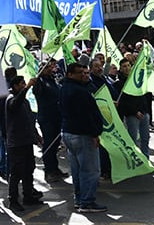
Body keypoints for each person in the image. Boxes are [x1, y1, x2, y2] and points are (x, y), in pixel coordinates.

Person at [59, 58, 108, 213]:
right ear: (70, 74)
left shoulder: (65, 88)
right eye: (79, 73)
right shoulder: (78, 91)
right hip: (82, 135)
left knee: (78, 169)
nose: (82, 75)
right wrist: (94, 133)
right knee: (90, 170)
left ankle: (79, 199)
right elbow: (85, 115)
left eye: (83, 72)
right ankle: (87, 201)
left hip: (69, 133)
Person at [3, 74, 45, 212]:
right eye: (21, 84)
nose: (24, 85)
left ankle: (28, 195)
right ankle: (13, 199)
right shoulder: (11, 99)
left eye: (24, 84)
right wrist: (26, 88)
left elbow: (29, 121)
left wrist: (37, 136)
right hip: (16, 143)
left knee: (29, 169)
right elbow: (15, 104)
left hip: (26, 141)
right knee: (16, 172)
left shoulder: (25, 102)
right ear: (15, 86)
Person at [32, 59, 68, 182]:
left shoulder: (53, 80)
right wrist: (36, 81)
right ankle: (49, 170)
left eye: (50, 67)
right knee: (49, 144)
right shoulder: (40, 82)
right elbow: (36, 91)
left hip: (57, 116)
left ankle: (54, 168)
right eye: (46, 68)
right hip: (46, 117)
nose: (49, 69)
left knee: (56, 144)